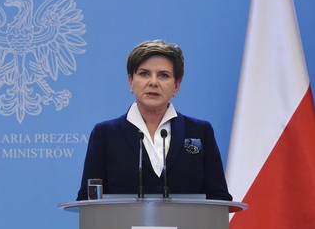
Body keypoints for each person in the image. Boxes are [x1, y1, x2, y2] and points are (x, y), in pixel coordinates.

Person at [77, 39, 231, 201]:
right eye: (144, 74)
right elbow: (89, 199)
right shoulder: (105, 134)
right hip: (121, 226)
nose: (153, 82)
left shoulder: (200, 131)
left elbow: (218, 197)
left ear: (176, 86)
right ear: (131, 82)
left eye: (163, 75)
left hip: (188, 226)